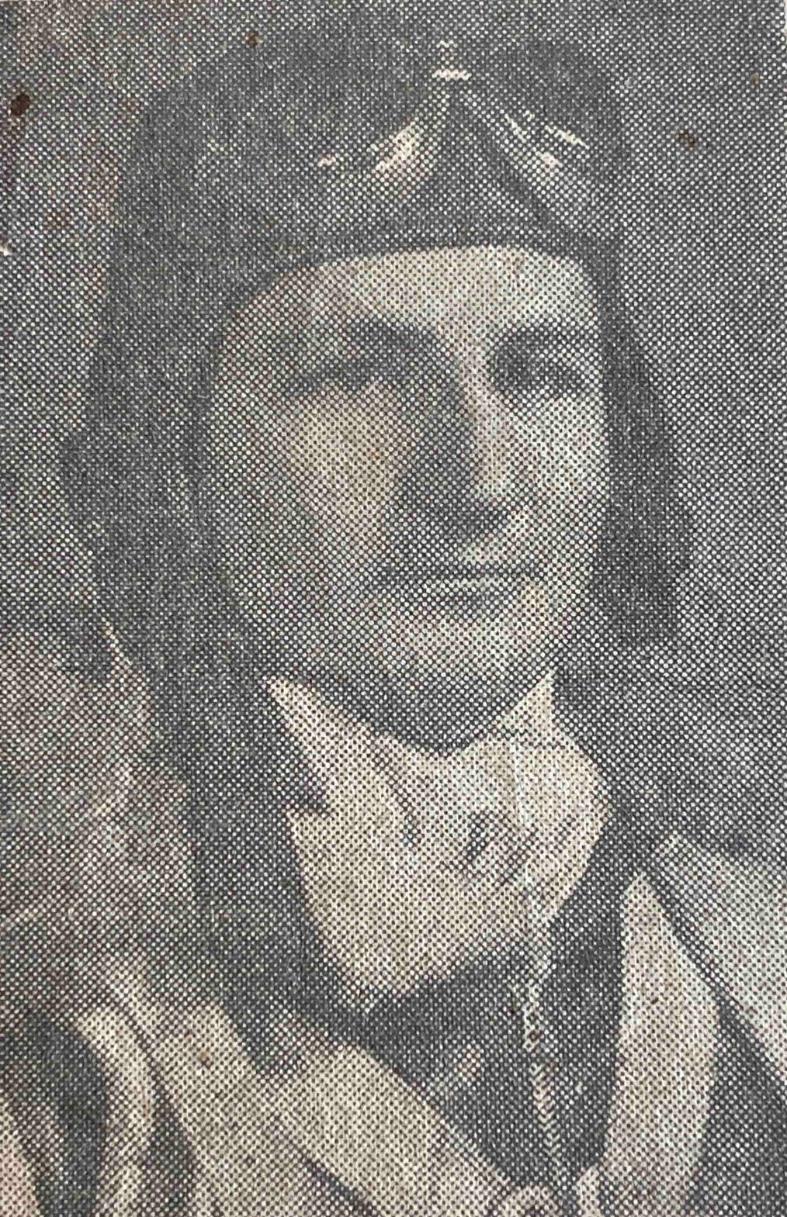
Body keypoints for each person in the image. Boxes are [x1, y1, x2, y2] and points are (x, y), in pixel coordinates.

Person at [3, 7, 787, 1216]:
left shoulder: (751, 956)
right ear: (172, 468)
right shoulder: (65, 1070)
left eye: (538, 374)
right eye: (357, 376)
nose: (479, 481)